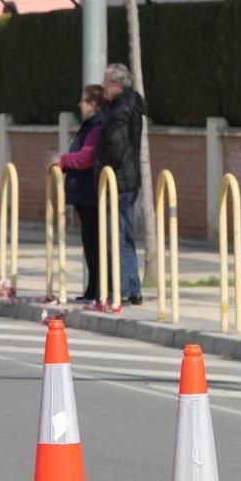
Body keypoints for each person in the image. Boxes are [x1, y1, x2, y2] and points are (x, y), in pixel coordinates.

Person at [94, 63, 147, 306]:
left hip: (120, 180)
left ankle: (125, 288)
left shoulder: (121, 111)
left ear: (115, 85)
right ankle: (131, 288)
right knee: (124, 236)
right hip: (126, 178)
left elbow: (115, 146)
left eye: (105, 82)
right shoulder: (126, 106)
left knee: (119, 237)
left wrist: (102, 166)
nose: (102, 87)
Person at [57, 84, 105, 302]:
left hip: (90, 193)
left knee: (95, 243)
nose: (80, 105)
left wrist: (62, 160)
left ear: (94, 104)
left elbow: (87, 157)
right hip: (83, 193)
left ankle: (98, 289)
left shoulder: (97, 126)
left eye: (84, 101)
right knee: (90, 242)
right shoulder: (88, 125)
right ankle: (92, 288)